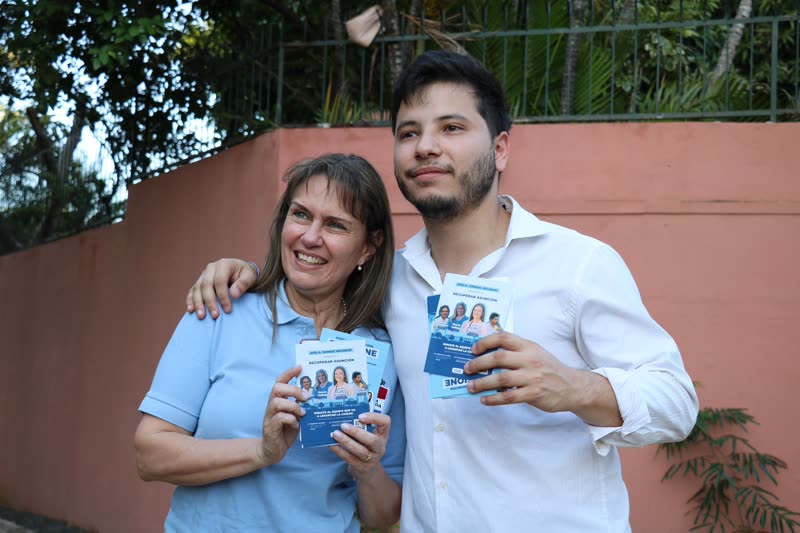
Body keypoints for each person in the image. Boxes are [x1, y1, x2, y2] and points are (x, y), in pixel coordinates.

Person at [185, 50, 698, 532]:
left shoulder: (578, 263)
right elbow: (319, 273)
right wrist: (250, 272)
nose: (426, 145)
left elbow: (676, 402)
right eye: (409, 132)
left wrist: (571, 387)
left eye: (452, 128)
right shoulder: (391, 281)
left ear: (499, 149)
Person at [135, 154, 405, 532]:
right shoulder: (221, 308)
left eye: (336, 225)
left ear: (368, 248)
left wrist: (366, 469)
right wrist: (262, 452)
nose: (310, 236)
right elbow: (150, 455)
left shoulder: (381, 352)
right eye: (300, 215)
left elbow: (384, 515)